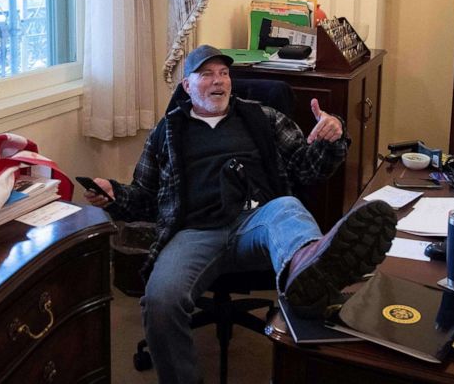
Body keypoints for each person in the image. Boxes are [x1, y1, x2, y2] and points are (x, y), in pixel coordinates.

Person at [83, 44, 397, 384]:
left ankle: (308, 271)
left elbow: (309, 170)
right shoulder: (166, 133)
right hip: (194, 233)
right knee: (159, 302)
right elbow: (144, 199)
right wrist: (114, 195)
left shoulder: (262, 117)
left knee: (288, 208)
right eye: (206, 74)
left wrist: (332, 138)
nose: (219, 82)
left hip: (258, 222)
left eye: (224, 73)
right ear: (186, 86)